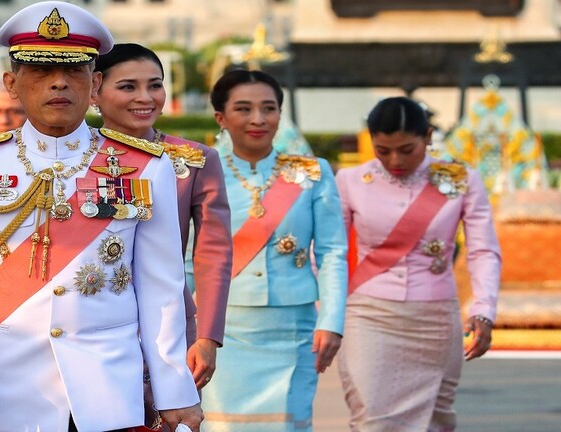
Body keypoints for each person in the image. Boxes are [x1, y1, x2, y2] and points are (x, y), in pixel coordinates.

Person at [0, 2, 202, 431]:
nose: (59, 82)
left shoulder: (146, 166)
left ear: (95, 84)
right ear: (12, 83)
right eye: (41, 70)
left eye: (74, 71)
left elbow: (162, 289)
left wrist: (175, 391)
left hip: (105, 392)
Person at [335, 96, 501, 431]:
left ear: (427, 136)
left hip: (435, 315)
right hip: (368, 314)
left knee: (434, 420)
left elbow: (483, 251)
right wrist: (323, 313)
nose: (395, 160)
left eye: (406, 150)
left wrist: (484, 309)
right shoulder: (350, 181)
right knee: (371, 416)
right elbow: (329, 252)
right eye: (383, 151)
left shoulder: (461, 179)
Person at [195, 69, 347, 432]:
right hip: (220, 327)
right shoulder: (200, 172)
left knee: (288, 423)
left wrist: (332, 320)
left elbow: (332, 253)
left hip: (292, 326)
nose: (258, 119)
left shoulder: (313, 172)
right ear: (221, 117)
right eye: (244, 109)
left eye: (269, 108)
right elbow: (188, 257)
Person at [94, 43, 232, 384]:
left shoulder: (194, 160)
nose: (145, 98)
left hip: (168, 326)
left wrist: (208, 337)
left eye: (155, 85)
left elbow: (213, 253)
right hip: (89, 323)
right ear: (95, 90)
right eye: (128, 87)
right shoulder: (71, 159)